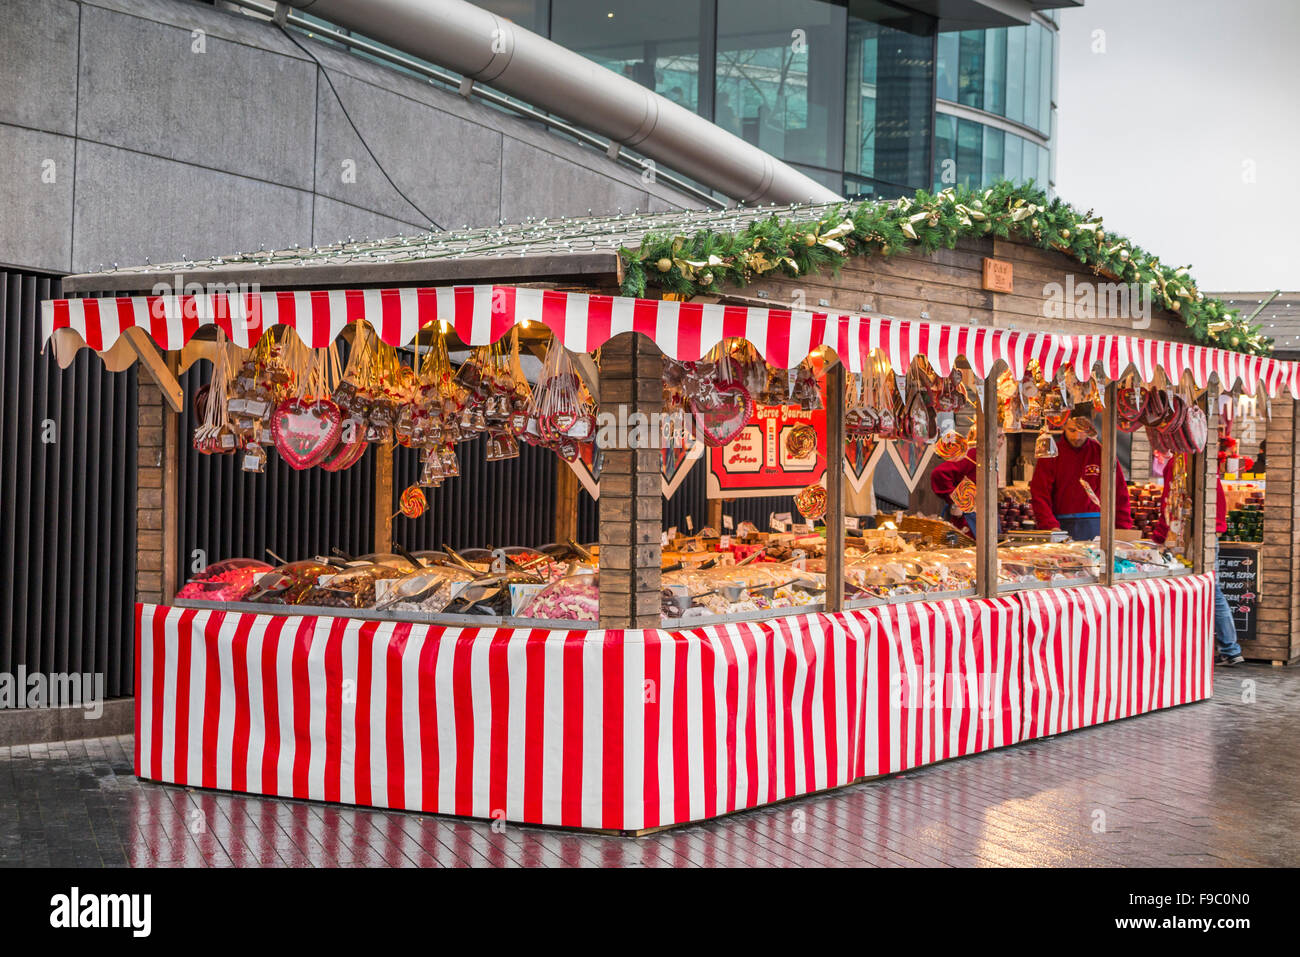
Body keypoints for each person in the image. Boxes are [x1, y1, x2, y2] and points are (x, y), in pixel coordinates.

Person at [1151, 455, 1244, 666]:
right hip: (1209, 532)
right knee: (1211, 587)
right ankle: (1229, 648)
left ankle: (1228, 648)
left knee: (1209, 588)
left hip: (1190, 536)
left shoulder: (1179, 465)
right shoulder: (1203, 463)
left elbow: (1170, 504)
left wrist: (1160, 535)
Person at [1029, 411, 1134, 540]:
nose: (1077, 437)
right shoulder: (1050, 454)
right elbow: (1040, 494)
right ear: (1063, 427)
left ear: (1090, 429)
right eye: (1072, 430)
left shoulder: (1103, 453)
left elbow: (1119, 492)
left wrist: (1122, 528)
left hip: (1097, 527)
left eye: (1082, 431)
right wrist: (1049, 526)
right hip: (1060, 526)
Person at [930, 425, 1003, 536]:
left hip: (984, 518)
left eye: (1003, 437)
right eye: (998, 437)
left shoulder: (990, 459)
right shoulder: (974, 455)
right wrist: (956, 502)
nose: (1001, 441)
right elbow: (939, 473)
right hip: (969, 524)